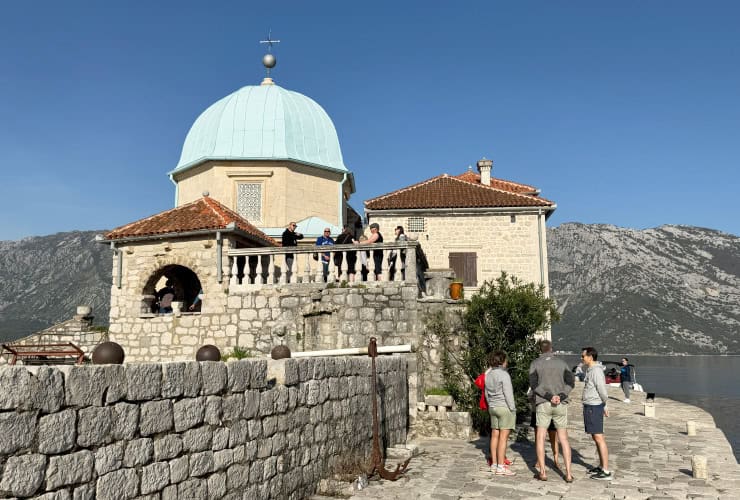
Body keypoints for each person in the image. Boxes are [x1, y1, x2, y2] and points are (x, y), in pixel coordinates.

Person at [529, 339, 575, 482]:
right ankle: (568, 474)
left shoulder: (535, 364)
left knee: (541, 438)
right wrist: (560, 396)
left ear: (540, 350)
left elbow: (533, 385)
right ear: (552, 349)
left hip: (543, 403)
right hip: (560, 403)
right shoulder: (562, 363)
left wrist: (549, 396)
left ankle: (542, 472)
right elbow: (571, 382)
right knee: (564, 439)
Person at [582, 346, 613, 480]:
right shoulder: (591, 370)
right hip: (591, 406)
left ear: (590, 357)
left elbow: (602, 389)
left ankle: (606, 470)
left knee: (599, 438)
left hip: (594, 407)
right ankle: (601, 466)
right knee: (596, 437)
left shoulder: (596, 371)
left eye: (583, 356)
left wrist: (605, 404)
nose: (581, 358)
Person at [484, 351, 517, 476]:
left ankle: (494, 464)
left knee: (494, 436)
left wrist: (490, 404)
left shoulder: (488, 374)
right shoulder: (504, 375)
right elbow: (508, 394)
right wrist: (513, 409)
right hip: (504, 408)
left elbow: (486, 393)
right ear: (502, 361)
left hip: (493, 407)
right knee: (503, 438)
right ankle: (501, 466)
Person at [528, 389, 561, 470]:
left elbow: (529, 395)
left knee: (540, 438)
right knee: (552, 438)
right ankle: (555, 460)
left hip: (540, 410)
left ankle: (540, 460)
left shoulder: (536, 380)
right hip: (550, 409)